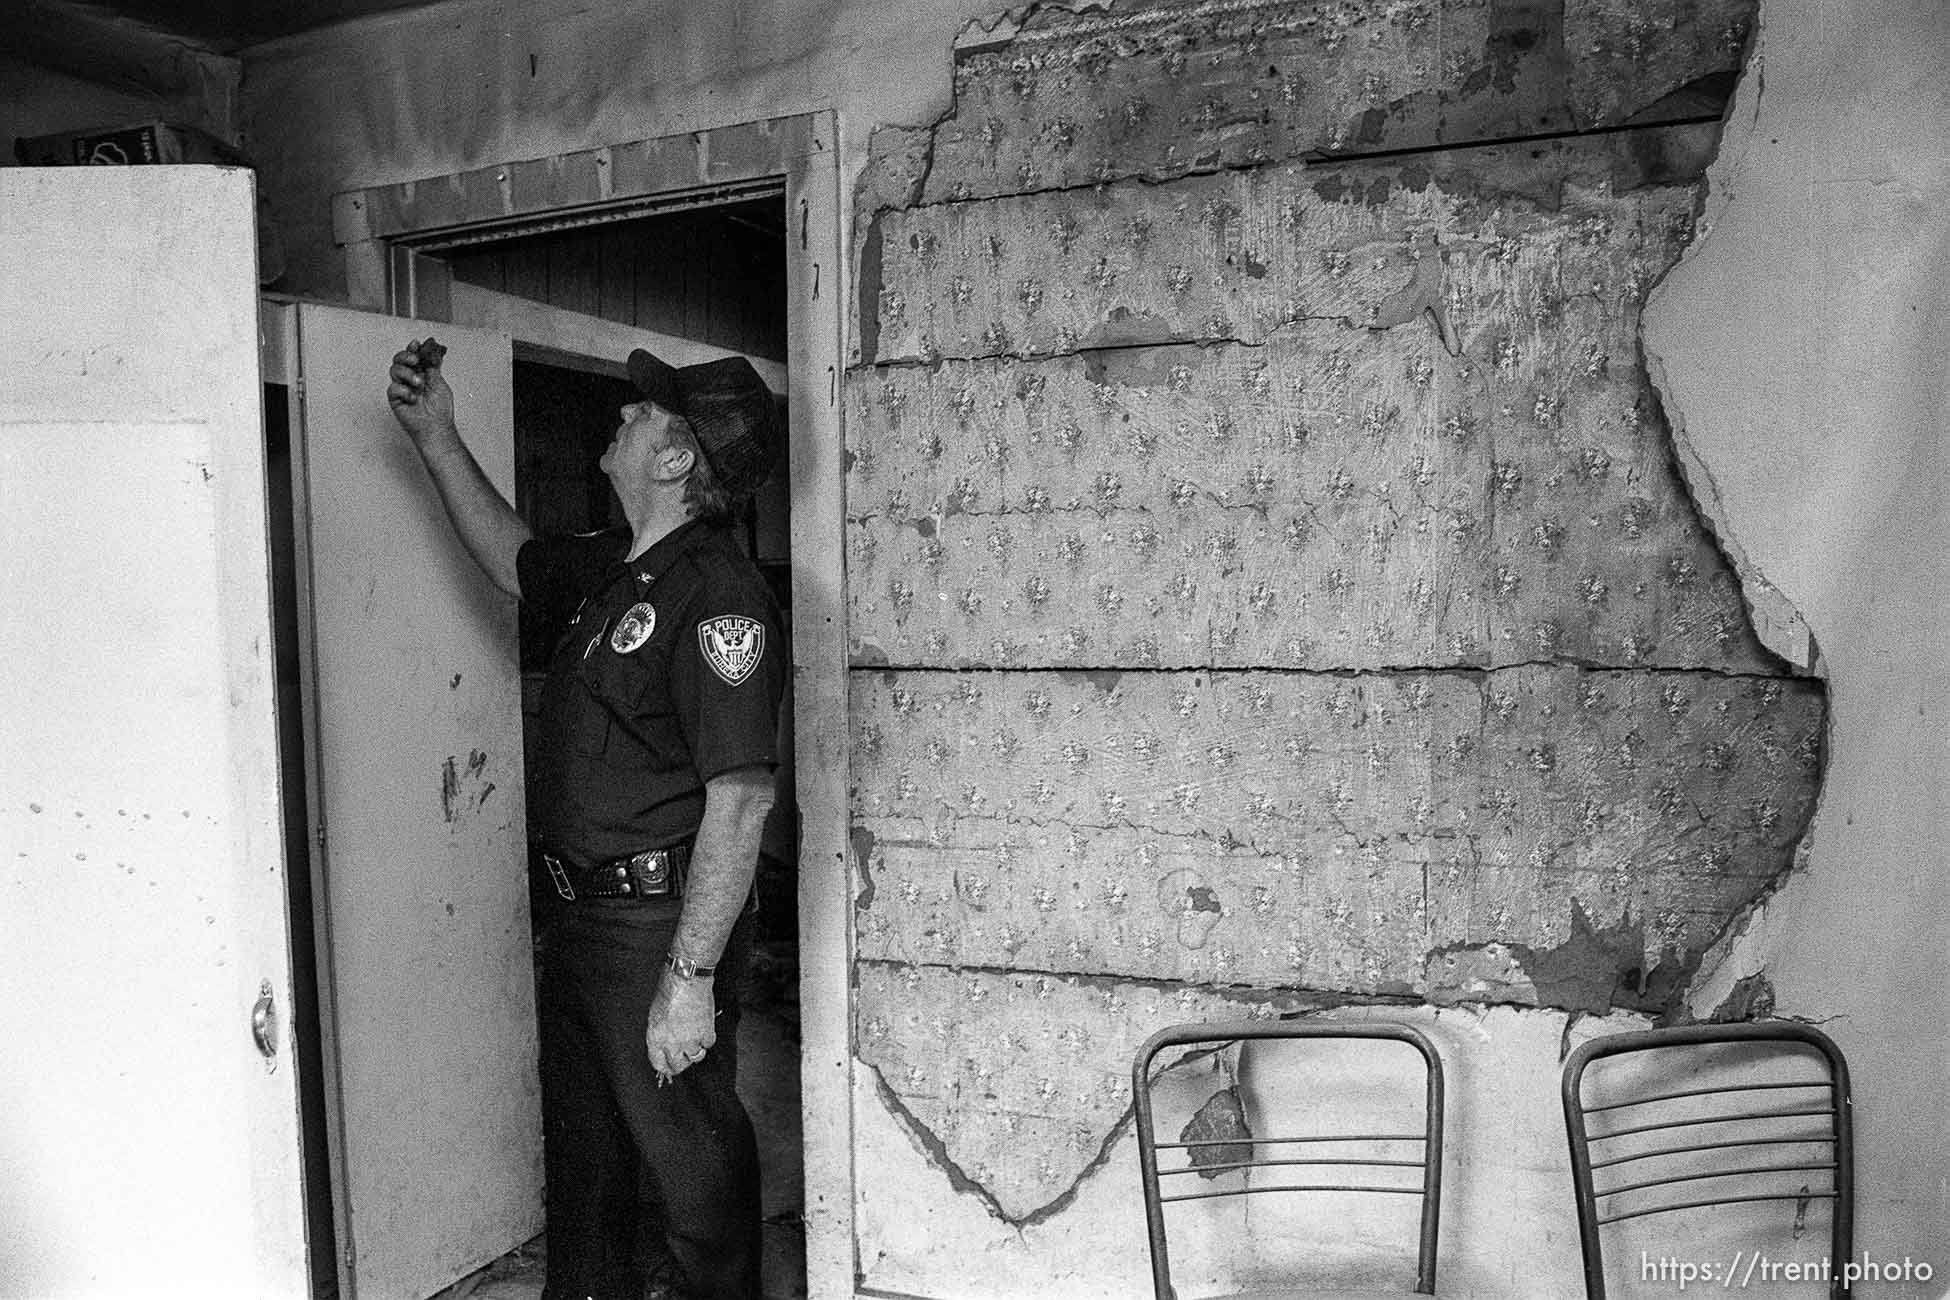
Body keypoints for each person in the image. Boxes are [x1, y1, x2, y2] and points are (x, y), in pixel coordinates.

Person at [387, 338, 786, 1300]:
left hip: (656, 928)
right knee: (588, 1175)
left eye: (644, 413)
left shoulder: (720, 595)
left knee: (691, 1179)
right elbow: (512, 558)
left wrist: (687, 980)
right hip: (578, 923)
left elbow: (740, 803)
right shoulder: (614, 571)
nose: (623, 415)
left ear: (679, 458)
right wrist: (438, 435)